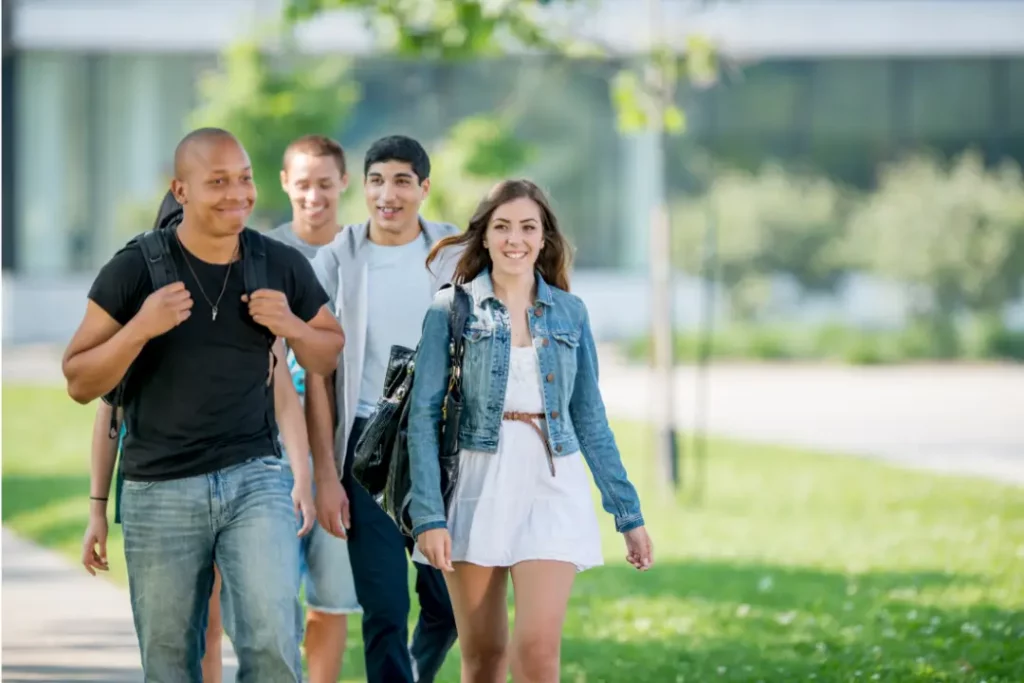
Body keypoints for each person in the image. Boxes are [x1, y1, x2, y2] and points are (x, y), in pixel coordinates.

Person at [62, 127, 344, 682]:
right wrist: (141, 327)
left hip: (254, 477)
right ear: (181, 190)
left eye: (244, 179)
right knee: (170, 661)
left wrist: (290, 324)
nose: (237, 194)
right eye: (218, 182)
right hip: (159, 487)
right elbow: (78, 380)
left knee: (272, 643)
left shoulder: (278, 263)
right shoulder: (135, 269)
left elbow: (328, 351)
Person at [407, 179, 655, 683]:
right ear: (484, 236)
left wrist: (627, 514)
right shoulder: (450, 309)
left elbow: (590, 418)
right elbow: (423, 416)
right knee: (484, 657)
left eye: (527, 227)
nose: (514, 239)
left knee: (539, 655)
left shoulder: (570, 312)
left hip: (551, 483)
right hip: (476, 483)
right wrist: (428, 516)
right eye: (502, 227)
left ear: (544, 238)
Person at [305, 134, 460, 683]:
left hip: (439, 445)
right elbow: (316, 371)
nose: (387, 195)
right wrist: (327, 476)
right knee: (385, 610)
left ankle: (412, 675)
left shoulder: (455, 253)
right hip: (366, 442)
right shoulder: (338, 257)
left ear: (424, 187)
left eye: (401, 181)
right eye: (376, 181)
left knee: (447, 605)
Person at [265, 133, 361, 683]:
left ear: (343, 182)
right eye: (303, 184)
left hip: (343, 454)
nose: (314, 196)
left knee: (332, 598)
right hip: (269, 451)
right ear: (285, 183)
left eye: (325, 184)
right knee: (270, 597)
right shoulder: (262, 252)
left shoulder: (360, 254)